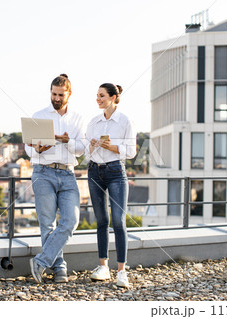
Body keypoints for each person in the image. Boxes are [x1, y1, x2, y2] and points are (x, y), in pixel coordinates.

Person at [25, 74, 85, 283]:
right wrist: (38, 147)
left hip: (68, 174)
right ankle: (59, 268)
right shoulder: (39, 115)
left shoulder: (77, 118)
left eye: (60, 95)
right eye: (53, 94)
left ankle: (41, 262)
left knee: (71, 220)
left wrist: (67, 142)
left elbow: (80, 150)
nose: (56, 98)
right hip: (43, 172)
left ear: (69, 94)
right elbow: (28, 148)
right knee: (47, 224)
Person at [85, 83, 136, 288]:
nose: (98, 99)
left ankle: (122, 271)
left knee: (118, 221)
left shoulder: (124, 120)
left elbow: (132, 151)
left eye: (102, 96)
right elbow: (86, 153)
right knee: (101, 221)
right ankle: (103, 267)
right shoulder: (93, 122)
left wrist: (111, 146)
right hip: (94, 170)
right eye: (97, 95)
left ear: (113, 97)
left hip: (116, 171)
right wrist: (92, 146)